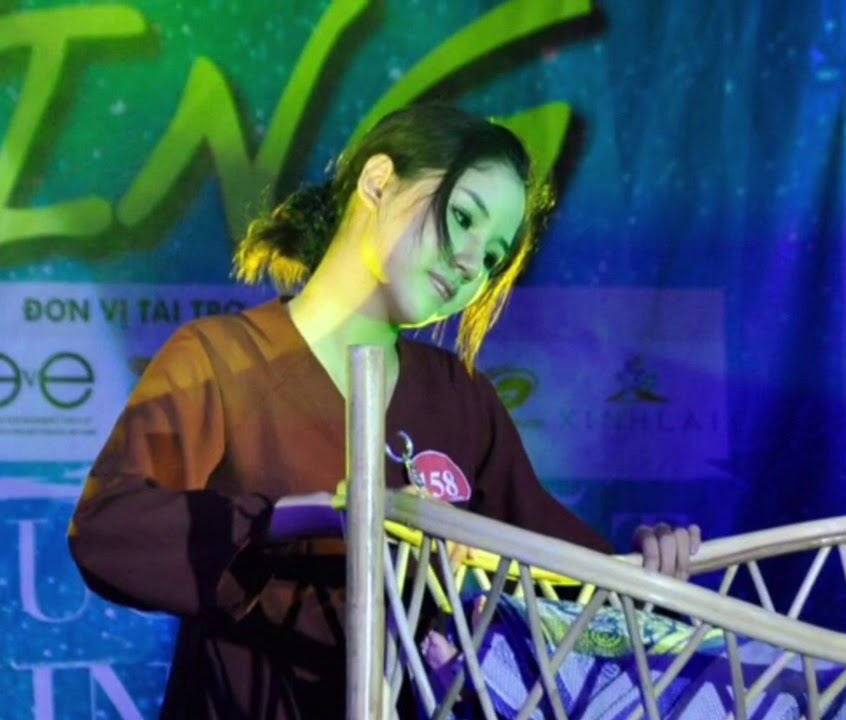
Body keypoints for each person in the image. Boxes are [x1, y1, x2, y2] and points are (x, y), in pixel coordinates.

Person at [67, 102, 700, 720]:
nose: (469, 264)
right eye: (462, 218)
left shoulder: (460, 399)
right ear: (377, 180)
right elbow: (109, 527)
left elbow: (559, 574)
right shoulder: (221, 359)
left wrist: (648, 574)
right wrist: (306, 517)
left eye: (492, 257)